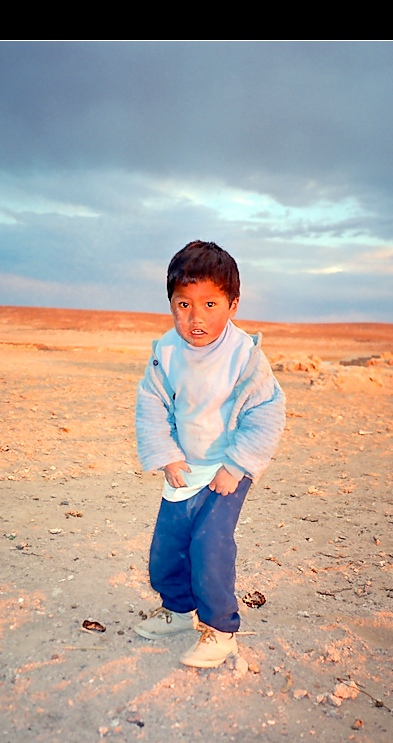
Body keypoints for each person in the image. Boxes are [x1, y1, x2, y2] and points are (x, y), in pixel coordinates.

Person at [134, 240, 285, 668]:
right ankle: (178, 611)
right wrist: (166, 454)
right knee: (167, 546)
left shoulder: (244, 356)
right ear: (171, 303)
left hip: (227, 469)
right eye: (183, 304)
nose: (195, 318)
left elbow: (268, 412)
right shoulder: (166, 351)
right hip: (184, 466)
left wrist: (236, 466)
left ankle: (220, 630)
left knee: (209, 546)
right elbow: (152, 403)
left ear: (233, 305)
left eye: (210, 304)